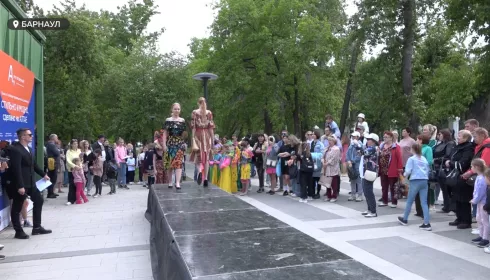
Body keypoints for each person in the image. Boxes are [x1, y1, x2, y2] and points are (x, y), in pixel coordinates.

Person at [4, 128, 51, 239]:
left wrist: (43, 174)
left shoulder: (28, 148)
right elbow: (16, 169)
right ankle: (18, 231)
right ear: (23, 136)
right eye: (30, 135)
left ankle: (37, 227)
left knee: (39, 200)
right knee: (17, 206)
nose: (32, 136)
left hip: (30, 182)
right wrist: (20, 186)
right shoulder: (16, 150)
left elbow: (33, 165)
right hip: (21, 184)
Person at [397, 143, 432, 231]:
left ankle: (405, 219)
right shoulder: (423, 158)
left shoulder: (411, 159)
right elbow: (428, 169)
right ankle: (426, 222)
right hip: (424, 180)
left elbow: (408, 171)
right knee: (424, 202)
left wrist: (404, 176)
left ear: (413, 149)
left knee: (409, 200)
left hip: (415, 180)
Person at [190, 97, 215, 187]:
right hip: (207, 135)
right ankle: (205, 179)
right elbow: (211, 128)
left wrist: (192, 138)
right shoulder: (209, 113)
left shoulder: (194, 112)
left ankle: (200, 171)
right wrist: (212, 140)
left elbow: (193, 127)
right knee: (207, 157)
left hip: (198, 135)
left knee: (198, 156)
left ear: (198, 103)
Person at [469, 158, 489, 247]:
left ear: (477, 167)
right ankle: (481, 235)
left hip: (483, 202)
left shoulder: (481, 179)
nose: (471, 168)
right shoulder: (479, 177)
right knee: (479, 219)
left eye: (472, 166)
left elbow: (480, 192)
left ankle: (486, 238)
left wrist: (475, 200)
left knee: (484, 220)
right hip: (480, 202)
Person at [45, 134, 60, 199]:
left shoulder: (49, 144)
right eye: (56, 138)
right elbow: (57, 153)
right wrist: (59, 150)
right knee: (52, 178)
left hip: (52, 162)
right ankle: (50, 193)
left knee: (52, 178)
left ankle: (51, 192)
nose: (57, 139)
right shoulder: (51, 145)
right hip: (53, 163)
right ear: (53, 138)